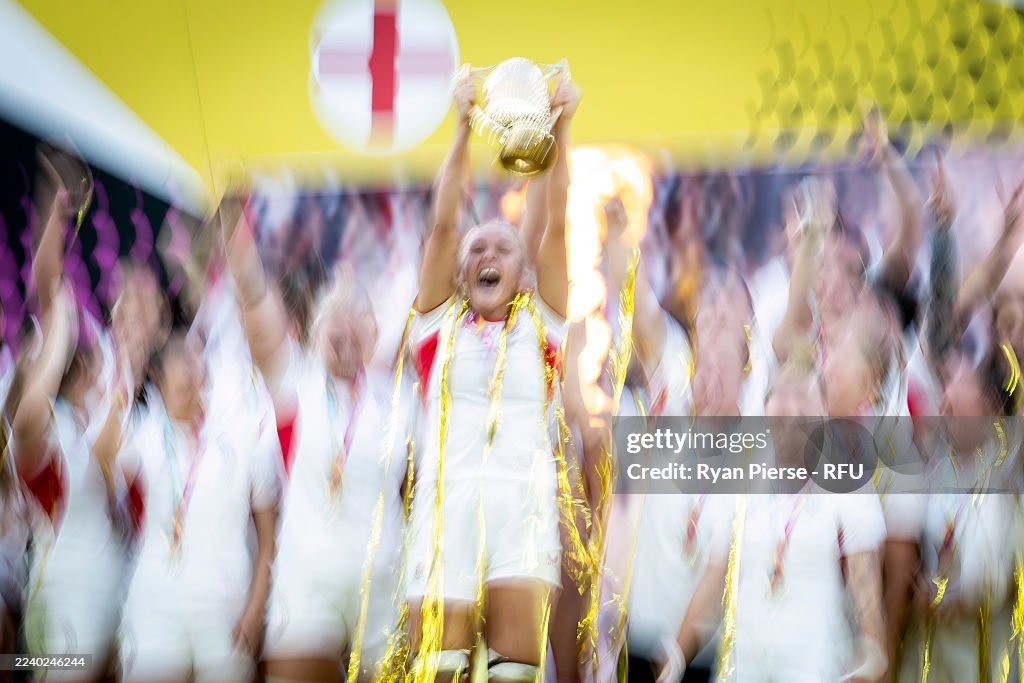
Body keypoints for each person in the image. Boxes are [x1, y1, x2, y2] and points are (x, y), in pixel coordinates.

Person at [404, 66, 578, 682]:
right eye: (477, 249)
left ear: (524, 274)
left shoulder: (543, 328)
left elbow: (555, 223)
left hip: (523, 521)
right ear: (458, 272)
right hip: (444, 518)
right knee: (441, 673)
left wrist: (560, 130)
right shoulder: (435, 327)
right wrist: (458, 128)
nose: (486, 255)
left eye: (503, 248)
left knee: (512, 677)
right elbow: (444, 226)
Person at [222, 192, 409, 683]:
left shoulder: (399, 400)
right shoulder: (295, 386)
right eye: (334, 313)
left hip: (382, 587)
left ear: (373, 332)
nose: (345, 324)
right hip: (306, 585)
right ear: (313, 330)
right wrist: (236, 241)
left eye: (357, 314)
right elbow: (256, 308)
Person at [665, 364, 887, 682]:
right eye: (779, 394)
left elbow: (868, 609)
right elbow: (712, 585)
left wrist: (869, 667)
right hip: (743, 669)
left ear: (823, 412)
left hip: (813, 669)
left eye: (802, 395)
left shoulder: (849, 489)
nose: (789, 407)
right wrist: (674, 661)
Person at [110, 326, 279, 683]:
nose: (193, 367)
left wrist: (254, 610)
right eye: (180, 361)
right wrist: (125, 368)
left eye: (196, 358)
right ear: (157, 376)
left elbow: (268, 537)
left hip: (225, 616)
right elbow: (100, 468)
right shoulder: (143, 435)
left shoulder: (240, 437)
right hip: (154, 610)